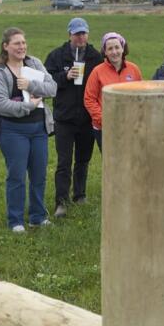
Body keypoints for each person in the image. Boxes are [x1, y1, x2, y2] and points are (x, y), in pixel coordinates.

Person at [0, 27, 58, 233]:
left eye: (24, 43)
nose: (22, 47)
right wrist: (28, 107)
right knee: (17, 176)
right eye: (17, 43)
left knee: (39, 174)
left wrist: (31, 85)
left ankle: (38, 216)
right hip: (12, 131)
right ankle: (16, 220)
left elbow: (52, 88)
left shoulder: (34, 63)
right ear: (6, 46)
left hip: (39, 129)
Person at [44, 17, 104, 218]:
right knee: (64, 161)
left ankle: (79, 194)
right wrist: (65, 77)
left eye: (84, 33)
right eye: (77, 33)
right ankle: (61, 201)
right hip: (64, 118)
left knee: (83, 159)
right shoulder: (56, 56)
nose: (81, 37)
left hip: (87, 119)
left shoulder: (96, 57)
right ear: (69, 34)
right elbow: (46, 82)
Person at [84, 32, 142, 150]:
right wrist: (104, 120)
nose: (114, 52)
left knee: (131, 162)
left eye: (117, 47)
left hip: (130, 126)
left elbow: (141, 97)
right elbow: (89, 99)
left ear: (122, 48)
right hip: (105, 128)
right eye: (110, 48)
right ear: (105, 52)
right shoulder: (97, 72)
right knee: (111, 164)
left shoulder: (134, 69)